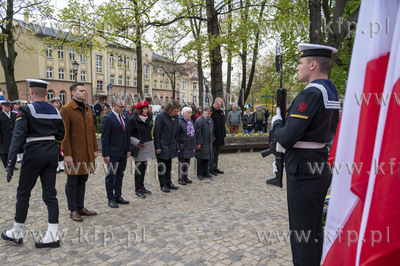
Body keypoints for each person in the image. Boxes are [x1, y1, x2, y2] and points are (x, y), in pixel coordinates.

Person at [271, 43, 339, 266]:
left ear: (313, 64)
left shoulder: (309, 94)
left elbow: (287, 137)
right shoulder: (331, 91)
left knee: (302, 235)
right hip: (318, 165)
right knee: (314, 231)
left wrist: (277, 123)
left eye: (301, 63)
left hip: (302, 171)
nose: (298, 68)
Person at [1, 79, 65, 248]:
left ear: (31, 92)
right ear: (45, 94)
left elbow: (18, 137)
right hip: (51, 153)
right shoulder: (55, 111)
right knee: (50, 195)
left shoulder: (26, 109)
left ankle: (17, 231)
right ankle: (52, 235)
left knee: (23, 193)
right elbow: (61, 135)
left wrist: (10, 161)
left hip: (33, 153)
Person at [61, 83, 98, 222]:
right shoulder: (66, 109)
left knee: (83, 179)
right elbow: (64, 134)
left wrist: (95, 148)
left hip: (87, 152)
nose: (84, 93)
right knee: (72, 181)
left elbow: (92, 131)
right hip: (74, 153)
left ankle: (80, 206)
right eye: (81, 91)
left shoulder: (88, 109)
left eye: (85, 91)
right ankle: (73, 210)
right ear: (73, 93)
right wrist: (67, 154)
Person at [101, 97, 131, 208]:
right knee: (111, 176)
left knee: (120, 175)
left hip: (123, 152)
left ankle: (118, 196)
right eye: (121, 106)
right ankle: (111, 198)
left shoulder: (124, 117)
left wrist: (128, 149)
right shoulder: (108, 118)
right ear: (114, 105)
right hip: (113, 153)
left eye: (124, 106)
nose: (123, 108)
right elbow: (105, 138)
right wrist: (105, 154)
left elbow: (127, 135)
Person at [128, 100, 155, 198]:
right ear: (139, 110)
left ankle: (142, 186)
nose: (146, 110)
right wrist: (137, 142)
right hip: (139, 147)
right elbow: (128, 135)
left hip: (147, 146)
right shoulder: (133, 119)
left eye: (146, 108)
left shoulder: (148, 118)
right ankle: (137, 189)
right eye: (144, 108)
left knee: (144, 168)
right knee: (138, 169)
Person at [153, 100, 181, 193]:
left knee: (169, 165)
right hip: (162, 145)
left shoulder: (176, 117)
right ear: (170, 109)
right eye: (175, 111)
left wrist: (176, 145)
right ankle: (163, 184)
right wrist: (157, 146)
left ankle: (169, 182)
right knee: (162, 165)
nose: (176, 113)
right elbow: (156, 132)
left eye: (177, 111)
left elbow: (176, 133)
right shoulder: (161, 116)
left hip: (171, 145)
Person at [177, 107, 196, 185]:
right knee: (181, 162)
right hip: (182, 145)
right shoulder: (179, 121)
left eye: (190, 113)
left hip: (189, 145)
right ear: (183, 113)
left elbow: (194, 135)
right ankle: (180, 178)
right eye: (188, 113)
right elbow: (176, 135)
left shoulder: (191, 121)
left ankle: (185, 177)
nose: (190, 114)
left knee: (187, 162)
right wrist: (177, 146)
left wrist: (194, 145)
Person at [195, 106, 214, 180]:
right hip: (202, 142)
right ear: (204, 112)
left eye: (210, 114)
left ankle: (205, 172)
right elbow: (198, 132)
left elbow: (212, 130)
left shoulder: (210, 120)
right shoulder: (199, 120)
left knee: (207, 158)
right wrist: (199, 142)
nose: (209, 115)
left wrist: (212, 138)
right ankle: (199, 173)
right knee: (200, 159)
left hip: (208, 142)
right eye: (208, 113)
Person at [209, 97, 225, 176]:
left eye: (221, 105)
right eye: (219, 104)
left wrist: (224, 134)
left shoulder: (221, 111)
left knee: (217, 153)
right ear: (215, 102)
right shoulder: (211, 111)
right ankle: (211, 168)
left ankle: (215, 167)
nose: (220, 106)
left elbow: (222, 123)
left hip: (220, 136)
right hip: (213, 136)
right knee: (212, 153)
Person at [0, 100, 17, 169]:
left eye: (8, 106)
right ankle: (6, 165)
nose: (7, 108)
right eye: (6, 106)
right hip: (3, 136)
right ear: (2, 107)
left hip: (13, 137)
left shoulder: (14, 114)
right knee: (4, 152)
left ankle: (12, 165)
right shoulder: (0, 115)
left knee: (13, 151)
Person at [50, 97, 64, 172]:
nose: (58, 104)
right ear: (52, 104)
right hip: (53, 134)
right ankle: (56, 165)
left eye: (59, 103)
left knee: (61, 149)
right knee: (55, 150)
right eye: (56, 103)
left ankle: (61, 164)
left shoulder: (61, 111)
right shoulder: (50, 111)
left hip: (60, 134)